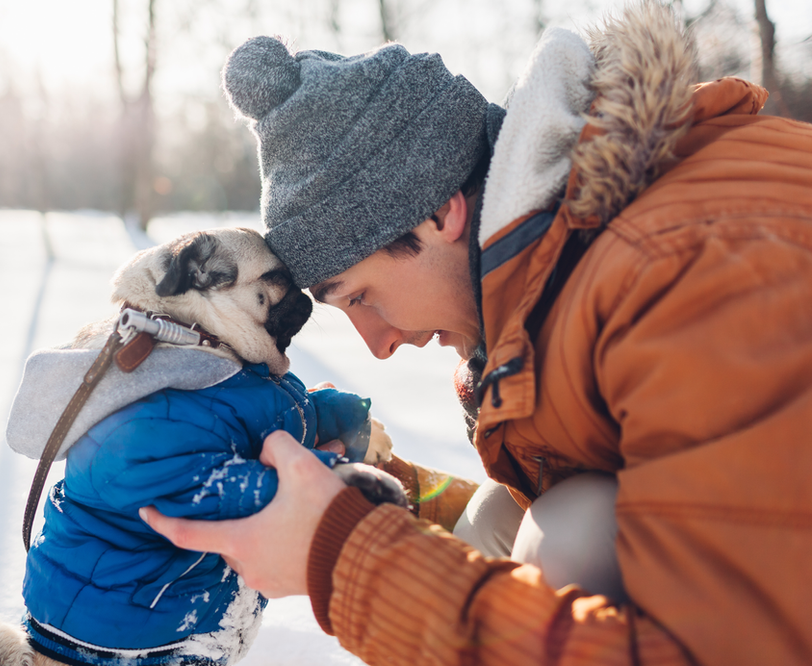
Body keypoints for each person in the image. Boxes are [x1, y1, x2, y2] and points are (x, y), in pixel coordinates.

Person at [141, 3, 812, 664]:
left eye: (363, 296)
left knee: (562, 539)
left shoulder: (682, 269)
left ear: (439, 212)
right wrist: (379, 495)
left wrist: (347, 560)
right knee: (505, 517)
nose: (377, 344)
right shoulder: (569, 272)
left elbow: (728, 646)